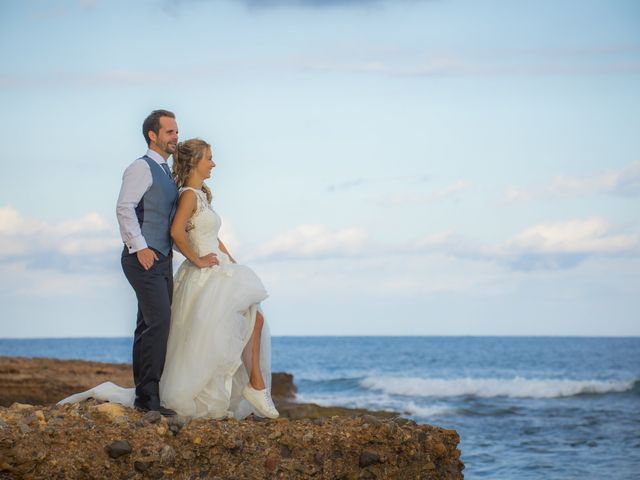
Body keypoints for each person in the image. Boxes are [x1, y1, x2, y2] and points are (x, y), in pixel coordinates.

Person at [60, 134, 278, 420]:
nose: (214, 163)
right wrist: (197, 259)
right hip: (204, 273)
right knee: (224, 330)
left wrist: (231, 261)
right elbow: (175, 232)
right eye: (209, 158)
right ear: (195, 162)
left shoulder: (202, 195)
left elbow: (213, 236)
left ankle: (253, 386)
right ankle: (253, 386)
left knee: (246, 323)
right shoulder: (187, 194)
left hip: (219, 268)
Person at [116, 109, 179, 417]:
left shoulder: (167, 172)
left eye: (176, 132)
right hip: (142, 257)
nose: (175, 136)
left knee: (147, 325)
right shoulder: (140, 168)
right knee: (159, 322)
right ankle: (149, 400)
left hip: (163, 258)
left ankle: (145, 396)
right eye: (169, 132)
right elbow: (124, 207)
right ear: (153, 135)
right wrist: (139, 247)